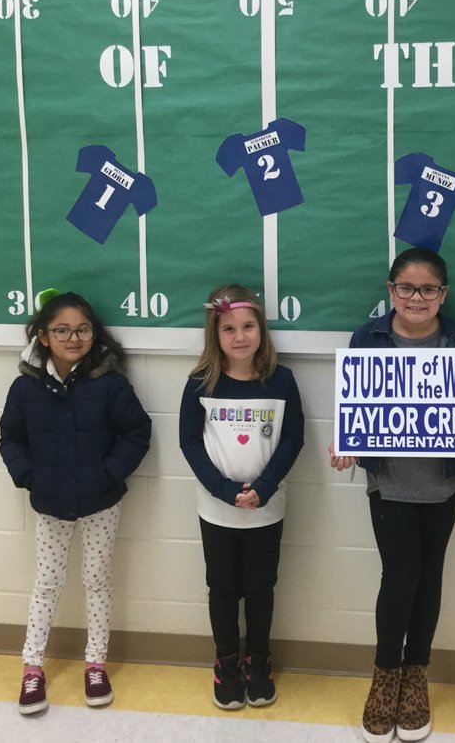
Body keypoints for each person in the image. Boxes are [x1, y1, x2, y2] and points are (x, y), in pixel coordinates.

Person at [331, 247, 455, 743]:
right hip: (390, 481)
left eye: (428, 289)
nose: (417, 297)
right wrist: (346, 442)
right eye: (406, 287)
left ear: (443, 294)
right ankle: (385, 677)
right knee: (400, 576)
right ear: (390, 291)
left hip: (444, 481)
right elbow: (352, 409)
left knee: (429, 577)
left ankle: (416, 680)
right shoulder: (368, 339)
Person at [0, 290, 152, 716]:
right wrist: (30, 477)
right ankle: (32, 668)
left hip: (101, 501)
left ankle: (96, 664)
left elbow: (137, 432)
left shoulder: (109, 384)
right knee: (47, 583)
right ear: (44, 336)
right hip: (49, 502)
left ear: (93, 334)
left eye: (82, 329)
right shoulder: (25, 388)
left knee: (97, 579)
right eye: (62, 330)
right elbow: (10, 437)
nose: (73, 337)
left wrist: (108, 474)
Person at [179, 284, 305, 710]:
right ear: (214, 334)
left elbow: (292, 438)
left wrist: (263, 489)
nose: (239, 336)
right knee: (222, 588)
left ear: (261, 329)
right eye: (228, 328)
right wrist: (226, 491)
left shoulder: (282, 380)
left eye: (248, 326)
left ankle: (259, 660)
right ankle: (226, 663)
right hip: (216, 511)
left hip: (267, 511)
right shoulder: (200, 384)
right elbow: (189, 444)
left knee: (261, 588)